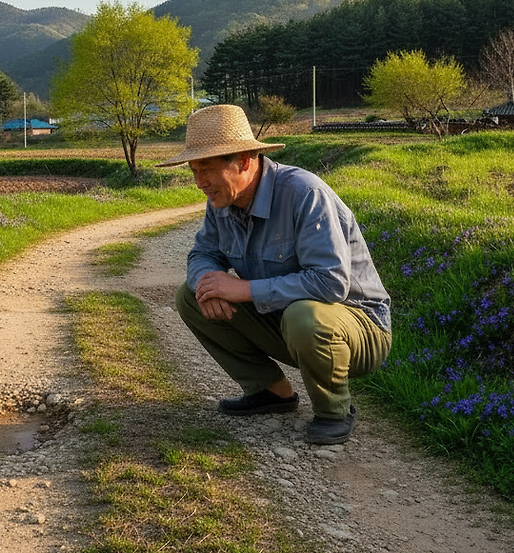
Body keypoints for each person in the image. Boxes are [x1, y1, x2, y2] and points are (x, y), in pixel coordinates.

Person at [156, 104, 392, 445]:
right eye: (194, 171)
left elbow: (331, 282)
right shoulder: (222, 200)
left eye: (206, 170)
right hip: (287, 321)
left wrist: (244, 290)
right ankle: (270, 391)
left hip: (359, 328)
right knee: (192, 295)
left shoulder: (304, 194)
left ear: (243, 161)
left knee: (303, 315)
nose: (199, 183)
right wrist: (208, 281)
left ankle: (334, 411)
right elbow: (203, 254)